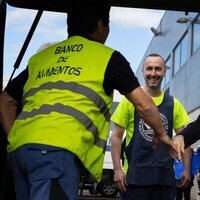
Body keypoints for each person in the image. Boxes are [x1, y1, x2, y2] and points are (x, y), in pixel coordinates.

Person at [0, 1, 178, 199]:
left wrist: (14, 138)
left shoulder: (42, 57)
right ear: (101, 26)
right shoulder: (107, 57)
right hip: (56, 153)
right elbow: (144, 104)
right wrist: (161, 134)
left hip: (20, 154)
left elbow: (6, 100)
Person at [111, 53, 191, 200]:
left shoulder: (174, 104)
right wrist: (117, 169)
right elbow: (116, 136)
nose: (153, 73)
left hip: (164, 180)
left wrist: (186, 169)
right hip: (134, 179)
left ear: (164, 72)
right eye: (149, 69)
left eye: (158, 69)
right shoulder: (129, 101)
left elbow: (185, 139)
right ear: (143, 71)